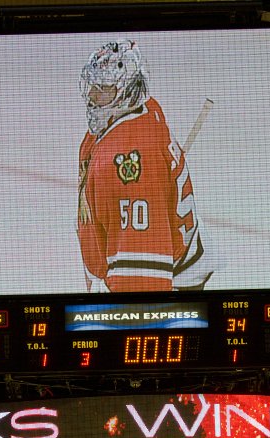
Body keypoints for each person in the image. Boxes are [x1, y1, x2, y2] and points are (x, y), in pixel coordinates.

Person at [77, 39, 213, 292]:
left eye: (104, 88)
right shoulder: (145, 110)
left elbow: (142, 284)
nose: (92, 97)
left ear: (128, 91)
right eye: (92, 85)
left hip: (166, 280)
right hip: (177, 253)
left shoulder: (127, 167)